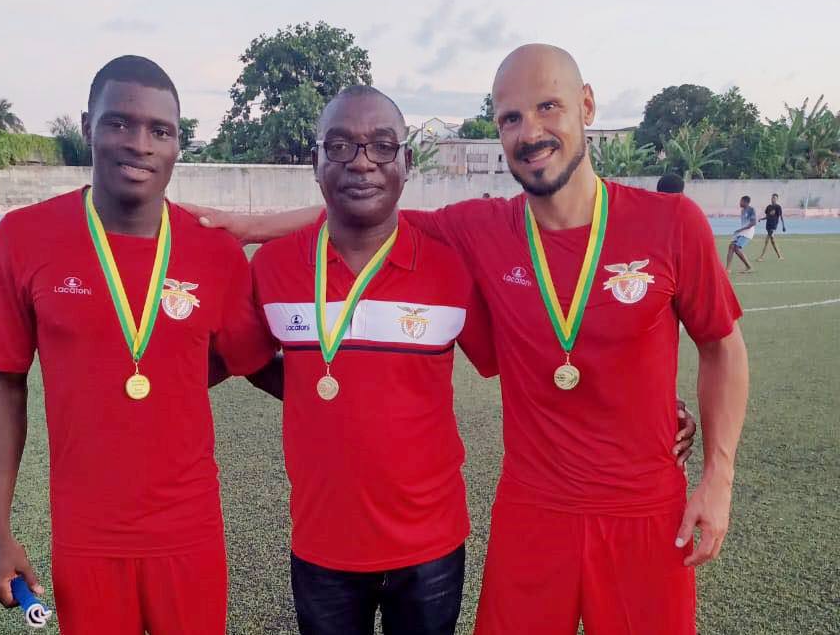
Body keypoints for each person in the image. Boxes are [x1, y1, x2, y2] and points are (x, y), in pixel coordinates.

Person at [190, 46, 724, 635]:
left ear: (587, 106)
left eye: (549, 107)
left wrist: (713, 474)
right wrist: (246, 227)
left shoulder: (670, 222)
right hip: (527, 511)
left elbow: (721, 346)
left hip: (632, 509)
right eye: (511, 118)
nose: (531, 131)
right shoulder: (480, 229)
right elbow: (372, 209)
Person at [0, 55, 278, 635]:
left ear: (178, 144)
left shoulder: (214, 253)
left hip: (188, 533)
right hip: (86, 536)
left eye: (159, 130)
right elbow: (4, 380)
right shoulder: (25, 235)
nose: (139, 143)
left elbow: (252, 363)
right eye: (120, 123)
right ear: (88, 125)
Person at [251, 85, 500, 634]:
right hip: (323, 545)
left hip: (430, 547)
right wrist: (313, 385)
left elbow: (526, 363)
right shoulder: (272, 267)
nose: (361, 162)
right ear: (315, 163)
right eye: (338, 146)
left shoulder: (451, 269)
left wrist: (644, 405)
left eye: (382, 146)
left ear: (406, 162)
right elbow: (247, 355)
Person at [725, 195, 757, 273]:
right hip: (742, 231)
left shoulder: (751, 210)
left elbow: (753, 222)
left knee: (736, 248)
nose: (740, 202)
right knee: (731, 246)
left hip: (748, 232)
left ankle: (749, 267)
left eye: (741, 201)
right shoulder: (742, 210)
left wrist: (741, 229)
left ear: (746, 202)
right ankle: (727, 269)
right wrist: (740, 230)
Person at [756, 193, 786, 261]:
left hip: (774, 225)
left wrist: (783, 226)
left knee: (767, 240)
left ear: (777, 199)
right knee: (773, 241)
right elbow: (767, 216)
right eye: (772, 198)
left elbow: (781, 216)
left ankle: (761, 257)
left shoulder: (778, 207)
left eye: (775, 198)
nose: (773, 199)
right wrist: (761, 219)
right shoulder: (768, 207)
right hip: (768, 225)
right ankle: (780, 256)